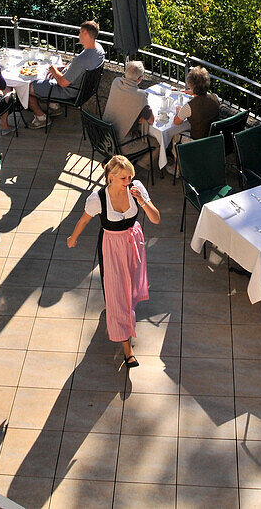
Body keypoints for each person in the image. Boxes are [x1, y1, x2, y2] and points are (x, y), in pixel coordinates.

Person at [67, 154, 160, 367]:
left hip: (133, 242)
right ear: (110, 177)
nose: (128, 182)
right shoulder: (97, 198)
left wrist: (142, 201)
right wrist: (73, 238)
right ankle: (127, 349)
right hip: (111, 246)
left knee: (129, 287)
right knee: (118, 295)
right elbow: (84, 219)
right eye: (123, 178)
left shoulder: (137, 189)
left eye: (130, 177)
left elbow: (155, 218)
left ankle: (122, 311)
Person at [27, 20, 105, 129]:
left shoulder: (82, 59)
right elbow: (78, 70)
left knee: (27, 87)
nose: (79, 35)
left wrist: (52, 68)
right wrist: (63, 68)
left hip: (69, 91)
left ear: (86, 34)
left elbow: (63, 83)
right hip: (86, 90)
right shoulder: (99, 49)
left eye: (80, 32)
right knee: (44, 76)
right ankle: (54, 106)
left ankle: (41, 118)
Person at [103, 60, 154, 142]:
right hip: (120, 142)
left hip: (105, 135)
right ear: (140, 79)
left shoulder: (116, 82)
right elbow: (151, 120)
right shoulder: (140, 95)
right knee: (155, 145)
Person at [173, 65, 220, 139]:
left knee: (174, 136)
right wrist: (192, 92)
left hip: (197, 142)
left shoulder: (189, 106)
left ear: (190, 85)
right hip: (212, 137)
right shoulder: (215, 98)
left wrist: (178, 111)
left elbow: (176, 122)